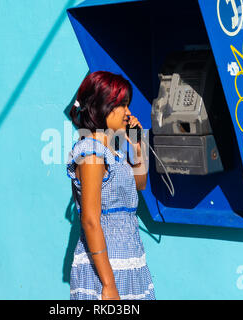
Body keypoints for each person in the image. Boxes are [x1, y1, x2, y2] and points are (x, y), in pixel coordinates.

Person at [66, 71, 155, 300]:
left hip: (128, 261)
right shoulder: (92, 154)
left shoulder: (112, 151)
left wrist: (137, 148)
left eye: (128, 105)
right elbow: (90, 220)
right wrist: (108, 284)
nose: (128, 113)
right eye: (122, 105)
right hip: (106, 271)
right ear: (101, 107)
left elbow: (140, 184)